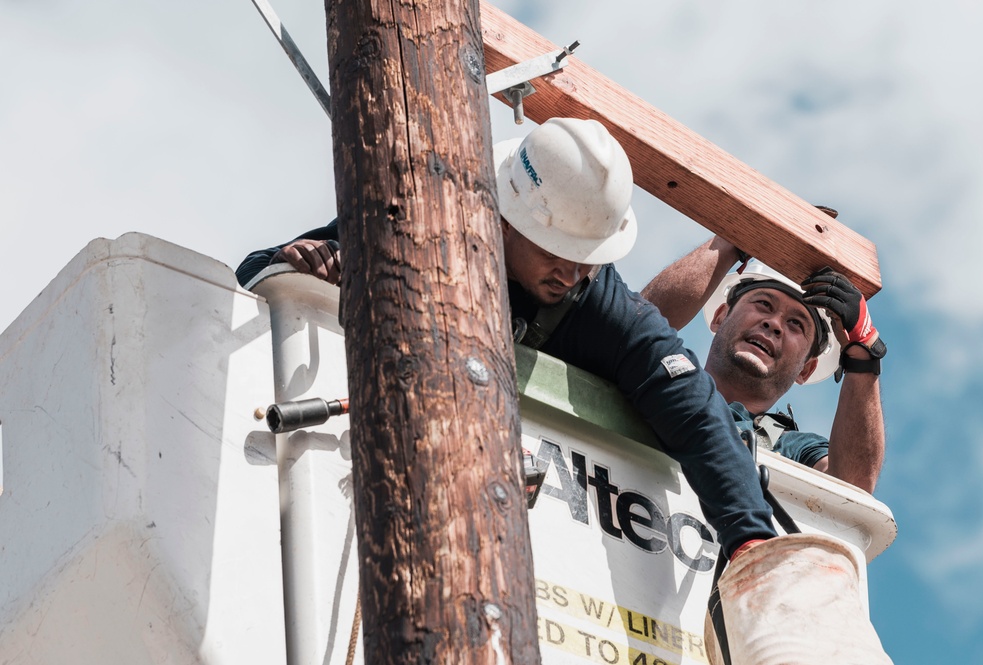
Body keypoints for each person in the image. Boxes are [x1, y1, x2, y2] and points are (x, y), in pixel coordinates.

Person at [235, 117, 779, 561]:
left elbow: (695, 411)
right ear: (504, 219)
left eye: (586, 260)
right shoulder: (422, 219)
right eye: (553, 253)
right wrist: (299, 270)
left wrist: (749, 539)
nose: (570, 276)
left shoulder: (606, 308)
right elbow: (253, 276)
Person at [640, 224, 887, 493]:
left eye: (796, 323)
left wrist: (863, 354)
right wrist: (736, 239)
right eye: (764, 304)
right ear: (720, 316)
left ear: (806, 368)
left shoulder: (792, 449)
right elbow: (630, 328)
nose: (774, 324)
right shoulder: (658, 377)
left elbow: (852, 489)